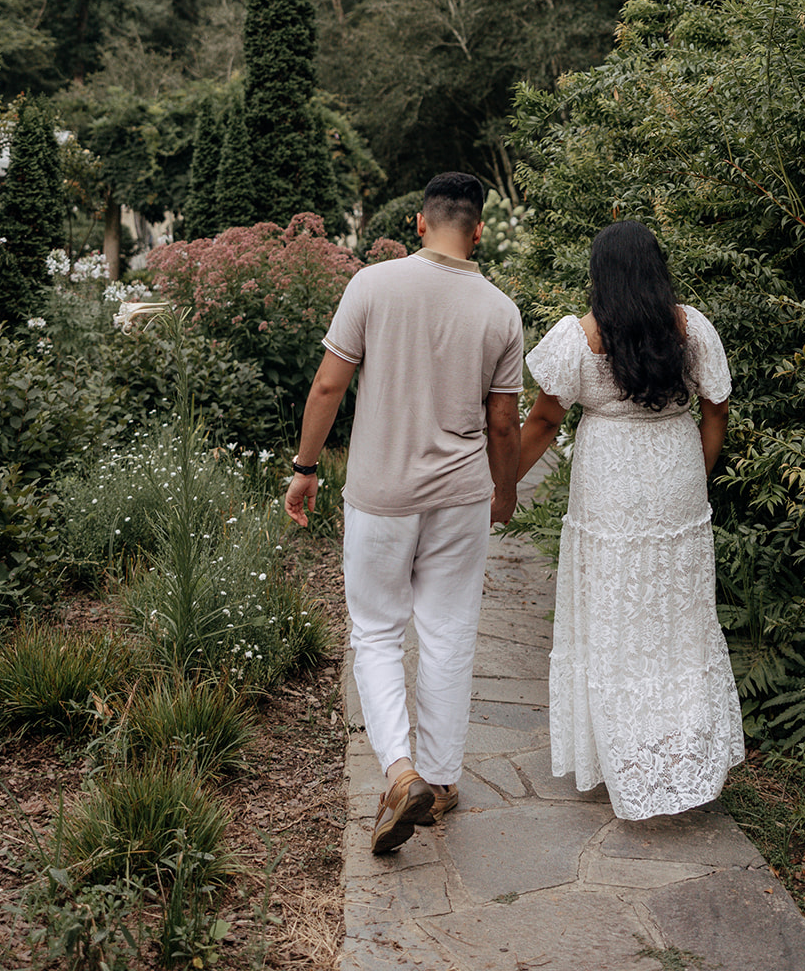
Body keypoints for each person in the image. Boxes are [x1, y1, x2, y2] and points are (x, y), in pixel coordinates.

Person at [285, 172, 523, 854]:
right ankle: (442, 781)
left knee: (378, 633)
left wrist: (305, 469)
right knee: (448, 631)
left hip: (381, 495)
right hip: (459, 496)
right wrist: (501, 491)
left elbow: (329, 384)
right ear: (477, 231)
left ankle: (400, 773)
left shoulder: (371, 286)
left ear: (420, 224)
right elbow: (503, 422)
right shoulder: (499, 310)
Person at [518, 219, 744, 821]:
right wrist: (695, 469)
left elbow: (541, 423)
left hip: (609, 482)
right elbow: (716, 407)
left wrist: (501, 482)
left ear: (601, 275)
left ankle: (622, 755)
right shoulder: (691, 329)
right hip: (676, 472)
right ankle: (680, 753)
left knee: (615, 610)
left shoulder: (578, 337)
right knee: (678, 613)